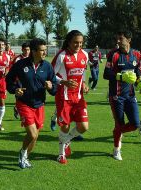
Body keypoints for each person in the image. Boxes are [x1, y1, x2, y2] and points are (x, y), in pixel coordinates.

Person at [6, 38, 57, 169]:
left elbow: (55, 87)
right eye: (42, 50)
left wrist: (51, 87)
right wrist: (15, 90)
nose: (45, 52)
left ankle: (25, 157)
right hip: (24, 103)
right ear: (33, 51)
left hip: (39, 104)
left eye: (45, 50)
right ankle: (22, 153)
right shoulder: (20, 64)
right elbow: (9, 80)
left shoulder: (47, 66)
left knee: (35, 137)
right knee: (32, 134)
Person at [103, 30, 141, 161]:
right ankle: (116, 149)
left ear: (129, 40)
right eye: (117, 39)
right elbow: (106, 74)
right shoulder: (113, 54)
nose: (118, 41)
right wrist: (121, 76)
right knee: (120, 123)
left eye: (120, 39)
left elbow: (137, 69)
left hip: (130, 95)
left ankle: (117, 132)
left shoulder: (136, 54)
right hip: (116, 96)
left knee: (135, 124)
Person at [52, 30, 89, 164]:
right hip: (64, 97)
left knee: (84, 127)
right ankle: (61, 154)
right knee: (65, 127)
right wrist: (64, 82)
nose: (78, 45)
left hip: (78, 97)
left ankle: (67, 141)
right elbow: (50, 75)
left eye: (80, 43)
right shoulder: (61, 56)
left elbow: (83, 72)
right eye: (75, 42)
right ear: (68, 42)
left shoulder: (84, 55)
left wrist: (83, 84)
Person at [12, 42, 30, 119]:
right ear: (22, 50)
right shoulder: (18, 59)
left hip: (29, 81)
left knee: (27, 98)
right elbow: (13, 71)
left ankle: (17, 108)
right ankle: (21, 113)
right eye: (25, 50)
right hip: (19, 81)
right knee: (20, 97)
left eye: (28, 50)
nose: (27, 51)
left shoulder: (32, 58)